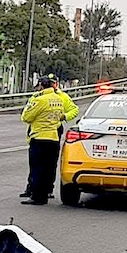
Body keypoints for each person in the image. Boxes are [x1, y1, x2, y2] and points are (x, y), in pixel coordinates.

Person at [20, 76, 78, 205]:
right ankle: (45, 193)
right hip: (53, 137)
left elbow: (26, 117)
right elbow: (66, 112)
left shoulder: (39, 99)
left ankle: (37, 196)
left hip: (40, 137)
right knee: (48, 168)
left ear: (41, 86)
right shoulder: (59, 99)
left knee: (37, 168)